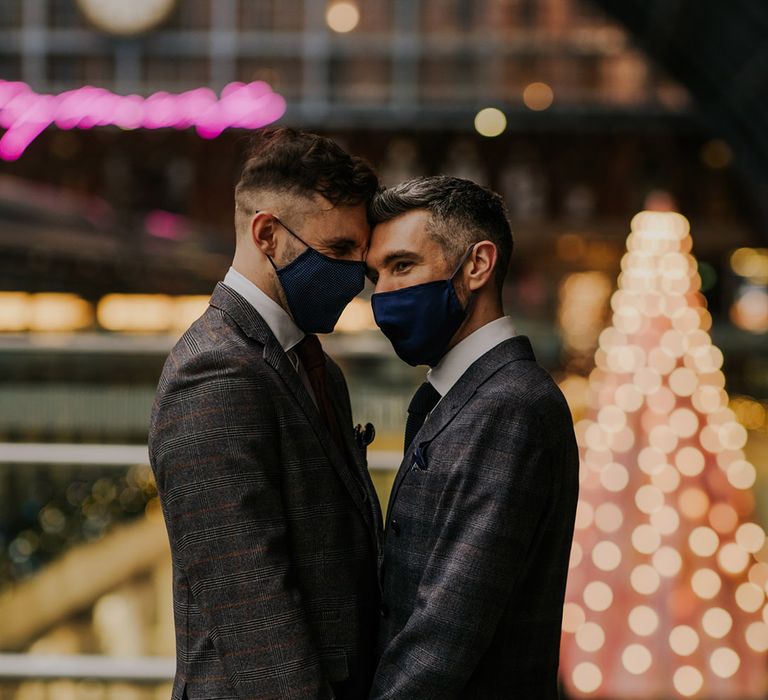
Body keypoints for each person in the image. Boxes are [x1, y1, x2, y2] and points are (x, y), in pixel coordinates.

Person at [148, 128, 382, 700]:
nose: (358, 276)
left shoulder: (314, 364)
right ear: (268, 234)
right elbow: (254, 611)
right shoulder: (213, 373)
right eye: (339, 251)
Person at [365, 175, 579, 699]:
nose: (383, 293)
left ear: (478, 264)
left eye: (402, 265)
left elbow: (445, 635)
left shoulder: (513, 407)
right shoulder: (466, 393)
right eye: (375, 274)